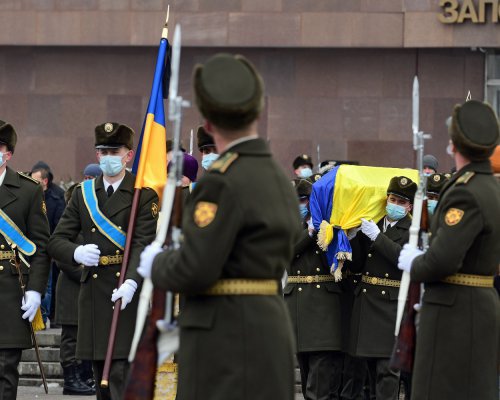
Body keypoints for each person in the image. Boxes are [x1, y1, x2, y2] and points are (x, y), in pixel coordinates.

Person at [137, 53, 301, 400]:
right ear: (257, 113)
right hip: (271, 330)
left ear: (208, 124)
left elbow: (196, 267)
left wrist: (157, 264)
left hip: (224, 338)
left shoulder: (221, 182)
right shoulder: (278, 177)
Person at [47, 122, 158, 400]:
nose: (108, 157)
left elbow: (142, 243)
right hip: (94, 296)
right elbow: (56, 240)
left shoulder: (143, 194)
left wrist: (131, 282)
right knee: (102, 379)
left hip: (126, 293)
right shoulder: (83, 194)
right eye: (103, 151)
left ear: (128, 155)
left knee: (120, 374)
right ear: (97, 154)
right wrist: (76, 252)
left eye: (114, 151)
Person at [398, 100, 500, 400]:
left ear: (453, 144)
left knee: (440, 390)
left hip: (455, 311)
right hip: (476, 305)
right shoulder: (491, 188)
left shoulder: (465, 193)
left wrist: (416, 263)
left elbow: (442, 260)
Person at [347, 175, 417, 400]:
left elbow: (402, 259)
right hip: (367, 303)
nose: (395, 205)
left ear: (409, 206)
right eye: (392, 199)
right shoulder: (373, 224)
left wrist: (377, 237)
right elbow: (357, 265)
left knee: (387, 372)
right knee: (367, 373)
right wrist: (353, 238)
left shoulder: (413, 230)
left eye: (401, 202)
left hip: (391, 306)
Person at [0, 120, 50, 400]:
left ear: (8, 153)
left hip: (9, 291)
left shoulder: (28, 190)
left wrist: (35, 290)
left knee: (5, 370)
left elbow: (41, 246)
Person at [284, 178, 344, 400]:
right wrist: (309, 233)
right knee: (306, 373)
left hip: (323, 310)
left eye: (305, 200)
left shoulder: (331, 224)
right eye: (298, 201)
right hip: (297, 309)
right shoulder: (289, 226)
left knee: (318, 386)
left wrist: (325, 230)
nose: (301, 205)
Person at [54, 183, 95, 396]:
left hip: (87, 288)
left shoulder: (89, 222)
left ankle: (85, 375)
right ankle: (71, 378)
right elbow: (61, 257)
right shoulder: (68, 224)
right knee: (71, 336)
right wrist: (85, 275)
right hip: (71, 287)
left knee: (85, 334)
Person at [30, 161, 66, 327]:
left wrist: (53, 246)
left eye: (35, 180)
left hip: (49, 247)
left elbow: (59, 224)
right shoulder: (29, 195)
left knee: (48, 285)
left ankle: (45, 316)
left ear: (44, 181)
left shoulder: (57, 197)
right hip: (29, 247)